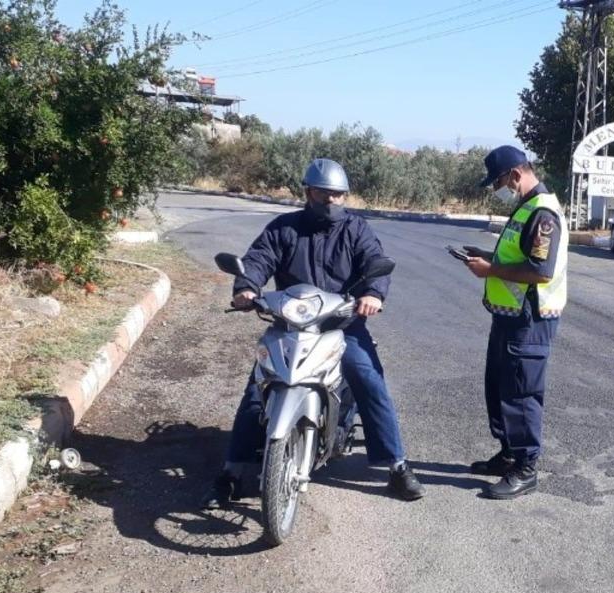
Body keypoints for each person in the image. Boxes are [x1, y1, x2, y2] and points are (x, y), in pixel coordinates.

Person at [201, 158, 426, 508]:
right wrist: (247, 287)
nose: (331, 201)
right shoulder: (284, 227)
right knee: (256, 389)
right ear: (308, 192)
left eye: (338, 195)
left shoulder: (356, 230)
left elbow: (374, 262)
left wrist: (373, 294)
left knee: (368, 379)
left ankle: (397, 465)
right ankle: (230, 473)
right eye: (324, 193)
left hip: (341, 326)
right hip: (289, 325)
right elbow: (259, 259)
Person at [462, 146, 567, 500]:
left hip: (530, 319)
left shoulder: (543, 214)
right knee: (500, 386)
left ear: (516, 175)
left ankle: (525, 468)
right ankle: (508, 453)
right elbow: (517, 257)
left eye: (499, 183)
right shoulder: (526, 208)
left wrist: (490, 270)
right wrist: (486, 258)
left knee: (521, 392)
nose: (498, 190)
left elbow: (541, 271)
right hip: (509, 316)